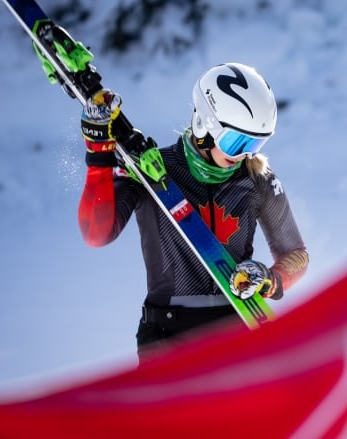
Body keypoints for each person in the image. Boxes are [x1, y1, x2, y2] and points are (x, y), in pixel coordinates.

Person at [77, 62, 309, 358]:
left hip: (237, 331)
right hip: (167, 338)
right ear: (206, 126)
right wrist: (98, 159)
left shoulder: (257, 177)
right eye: (237, 142)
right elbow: (96, 234)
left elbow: (297, 254)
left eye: (256, 142)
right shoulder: (152, 172)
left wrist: (268, 278)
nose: (245, 155)